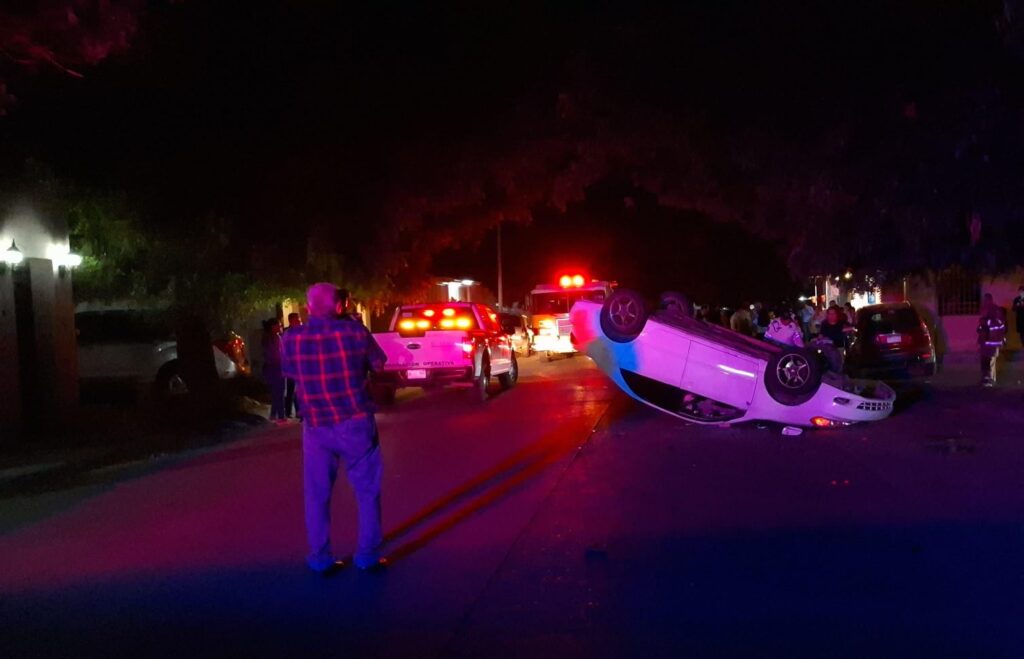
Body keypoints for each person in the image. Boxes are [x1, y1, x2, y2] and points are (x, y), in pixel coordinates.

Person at [281, 282, 388, 575]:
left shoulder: (291, 338)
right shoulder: (354, 332)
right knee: (366, 491)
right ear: (339, 306)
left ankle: (320, 557)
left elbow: (290, 373)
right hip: (354, 421)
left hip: (316, 426)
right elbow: (379, 364)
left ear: (308, 307)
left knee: (317, 493)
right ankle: (367, 555)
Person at [978, 294, 1007, 387]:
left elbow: (999, 324)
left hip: (993, 340)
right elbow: (981, 325)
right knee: (985, 360)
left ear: (990, 300)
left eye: (986, 300)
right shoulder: (984, 310)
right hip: (985, 340)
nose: (984, 302)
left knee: (991, 360)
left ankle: (991, 379)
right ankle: (986, 378)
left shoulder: (995, 310)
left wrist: (987, 322)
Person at [814, 306, 855, 372]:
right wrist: (819, 340)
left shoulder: (841, 322)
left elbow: (850, 328)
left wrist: (849, 330)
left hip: (839, 347)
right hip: (828, 349)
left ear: (837, 314)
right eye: (830, 314)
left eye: (833, 313)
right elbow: (821, 335)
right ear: (827, 315)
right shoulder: (824, 324)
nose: (831, 315)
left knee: (840, 366)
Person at [261, 318, 286, 422]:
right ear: (273, 327)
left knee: (277, 392)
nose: (280, 327)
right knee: (278, 392)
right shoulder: (272, 338)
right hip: (275, 367)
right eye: (279, 325)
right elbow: (275, 354)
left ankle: (275, 414)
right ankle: (279, 415)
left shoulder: (273, 337)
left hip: (273, 367)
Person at [284, 312, 303, 420]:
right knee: (291, 389)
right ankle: (289, 411)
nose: (299, 322)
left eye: (299, 320)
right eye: (297, 320)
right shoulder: (288, 334)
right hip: (292, 366)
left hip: (301, 365)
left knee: (300, 390)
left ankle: (300, 412)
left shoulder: (302, 331)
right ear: (291, 321)